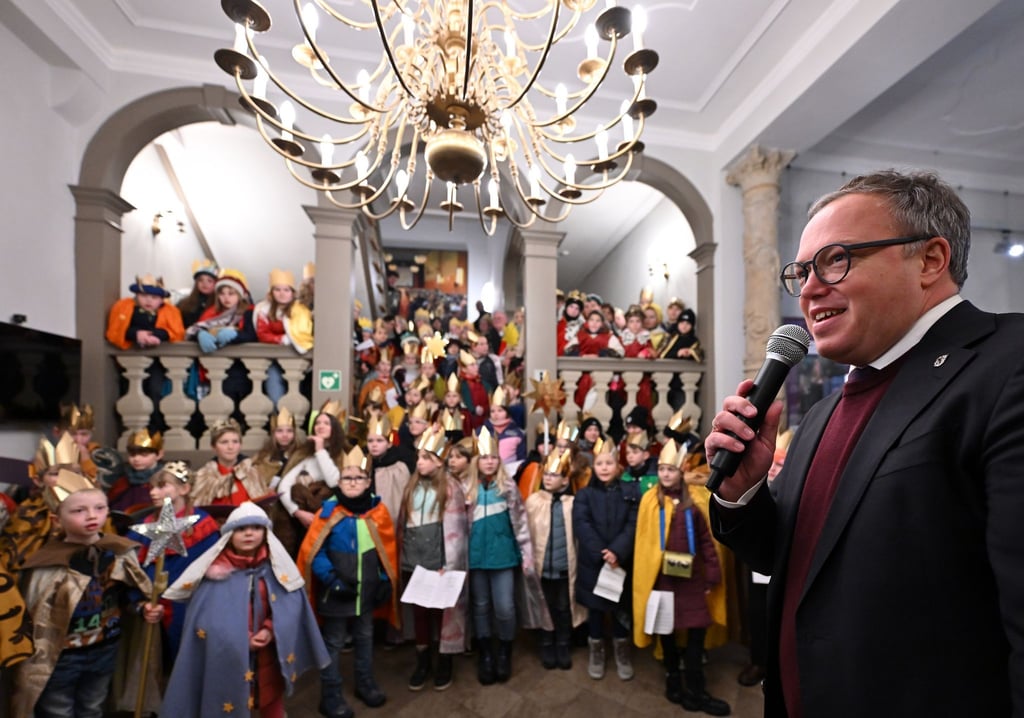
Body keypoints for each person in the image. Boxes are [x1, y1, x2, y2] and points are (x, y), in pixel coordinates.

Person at [706, 169, 1024, 717]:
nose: (808, 288)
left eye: (834, 259)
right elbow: (790, 558)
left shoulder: (1006, 365)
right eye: (801, 271)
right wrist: (742, 490)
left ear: (929, 260)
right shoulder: (825, 411)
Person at [11, 469, 163, 717]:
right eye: (78, 511)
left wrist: (142, 608)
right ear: (56, 519)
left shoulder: (117, 552)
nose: (92, 516)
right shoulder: (46, 563)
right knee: (58, 710)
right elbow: (36, 616)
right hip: (62, 657)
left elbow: (126, 596)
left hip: (105, 648)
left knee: (93, 707)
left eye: (100, 508)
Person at [162, 501, 329, 717]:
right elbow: (207, 622)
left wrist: (269, 630)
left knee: (271, 701)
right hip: (227, 658)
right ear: (229, 535)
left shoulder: (275, 569)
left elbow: (290, 606)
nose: (249, 533)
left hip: (268, 654)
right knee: (232, 702)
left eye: (256, 528)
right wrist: (244, 638)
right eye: (241, 529)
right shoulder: (215, 575)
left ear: (266, 532)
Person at [298, 446, 399, 717]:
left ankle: (364, 683)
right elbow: (314, 553)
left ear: (368, 482)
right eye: (347, 478)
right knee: (333, 642)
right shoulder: (328, 512)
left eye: (359, 478)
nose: (353, 483)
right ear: (338, 483)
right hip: (336, 593)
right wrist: (331, 579)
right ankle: (330, 695)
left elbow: (383, 553)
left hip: (365, 593)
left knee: (365, 638)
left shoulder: (378, 511)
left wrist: (381, 580)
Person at [633, 441, 729, 716]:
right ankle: (673, 680)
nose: (665, 474)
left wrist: (711, 576)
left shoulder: (696, 500)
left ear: (681, 470)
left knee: (696, 634)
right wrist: (648, 580)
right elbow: (644, 545)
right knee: (668, 635)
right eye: (661, 469)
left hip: (691, 582)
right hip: (663, 582)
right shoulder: (650, 501)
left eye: (670, 469)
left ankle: (697, 689)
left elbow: (706, 541)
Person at [466, 429, 546, 685]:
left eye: (493, 457)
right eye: (484, 457)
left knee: (504, 607)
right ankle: (486, 653)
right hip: (475, 558)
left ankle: (504, 651)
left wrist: (526, 555)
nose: (489, 461)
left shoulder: (508, 487)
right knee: (480, 606)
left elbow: (521, 524)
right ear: (476, 461)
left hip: (503, 557)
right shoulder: (466, 489)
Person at [126, 460, 220, 662]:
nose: (153, 493)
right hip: (153, 611)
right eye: (151, 487)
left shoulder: (203, 525)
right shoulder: (145, 526)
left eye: (161, 487)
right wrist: (141, 604)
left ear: (184, 488)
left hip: (190, 610)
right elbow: (131, 571)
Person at [400, 427, 469, 691]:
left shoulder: (451, 487)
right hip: (413, 557)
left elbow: (455, 531)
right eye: (419, 457)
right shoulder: (412, 483)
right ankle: (422, 662)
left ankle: (444, 661)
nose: (420, 463)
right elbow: (405, 522)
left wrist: (447, 562)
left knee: (441, 614)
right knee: (419, 613)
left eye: (426, 458)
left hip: (438, 560)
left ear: (440, 460)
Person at [572, 438, 639, 681]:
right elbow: (582, 525)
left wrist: (617, 552)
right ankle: (597, 650)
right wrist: (602, 551)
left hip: (620, 562)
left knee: (621, 609)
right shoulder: (585, 495)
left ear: (618, 466)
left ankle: (622, 649)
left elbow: (633, 525)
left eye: (608, 463)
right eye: (599, 463)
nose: (603, 467)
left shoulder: (630, 492)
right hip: (594, 563)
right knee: (596, 611)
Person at [524, 448, 586, 671]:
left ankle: (563, 643)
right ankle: (547, 643)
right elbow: (526, 533)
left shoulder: (574, 503)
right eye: (546, 474)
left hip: (564, 568)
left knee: (563, 607)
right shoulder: (533, 501)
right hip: (542, 568)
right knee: (545, 607)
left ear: (565, 479)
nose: (549, 479)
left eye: (554, 475)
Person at [277, 403, 345, 529]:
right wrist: (296, 512)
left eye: (326, 423)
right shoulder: (304, 455)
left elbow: (334, 482)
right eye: (317, 423)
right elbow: (284, 486)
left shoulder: (343, 456)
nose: (320, 426)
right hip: (299, 517)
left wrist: (320, 450)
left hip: (329, 517)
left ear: (335, 428)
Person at [191, 419, 272, 509]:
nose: (230, 447)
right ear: (213, 447)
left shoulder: (252, 471)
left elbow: (263, 505)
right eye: (224, 442)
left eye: (235, 442)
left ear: (240, 445)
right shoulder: (204, 475)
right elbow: (197, 509)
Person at [105, 274, 185, 350]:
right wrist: (136, 334)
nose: (148, 300)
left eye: (154, 297)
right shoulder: (125, 307)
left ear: (161, 300)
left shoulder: (170, 312)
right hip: (131, 353)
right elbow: (116, 330)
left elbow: (177, 333)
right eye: (143, 295)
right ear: (136, 295)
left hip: (161, 354)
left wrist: (155, 335)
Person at [185, 268, 251, 353]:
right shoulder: (211, 312)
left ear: (239, 295)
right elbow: (195, 330)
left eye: (231, 294)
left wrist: (236, 335)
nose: (226, 298)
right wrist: (199, 334)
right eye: (222, 294)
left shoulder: (248, 312)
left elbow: (252, 335)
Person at [106, 429, 165, 515]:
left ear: (159, 454)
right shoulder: (122, 481)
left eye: (144, 455)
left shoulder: (164, 480)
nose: (136, 459)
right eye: (132, 455)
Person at [175, 259, 219, 328]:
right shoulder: (183, 303)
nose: (205, 283)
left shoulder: (220, 305)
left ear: (216, 284)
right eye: (201, 280)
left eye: (209, 281)